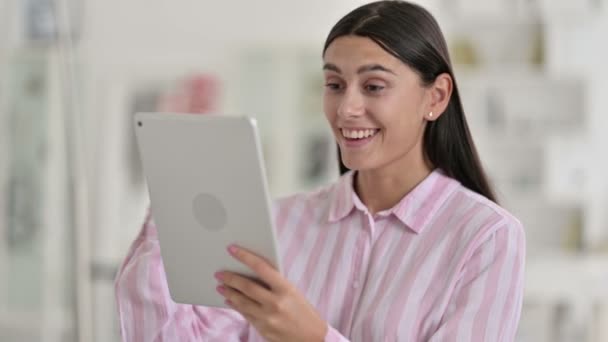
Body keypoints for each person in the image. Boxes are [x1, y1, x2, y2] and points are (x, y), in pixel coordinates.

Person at [114, 1, 526, 341]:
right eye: (333, 85)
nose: (346, 108)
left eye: (374, 86)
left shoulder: (486, 237)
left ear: (435, 97)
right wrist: (168, 206)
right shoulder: (278, 222)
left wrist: (312, 336)